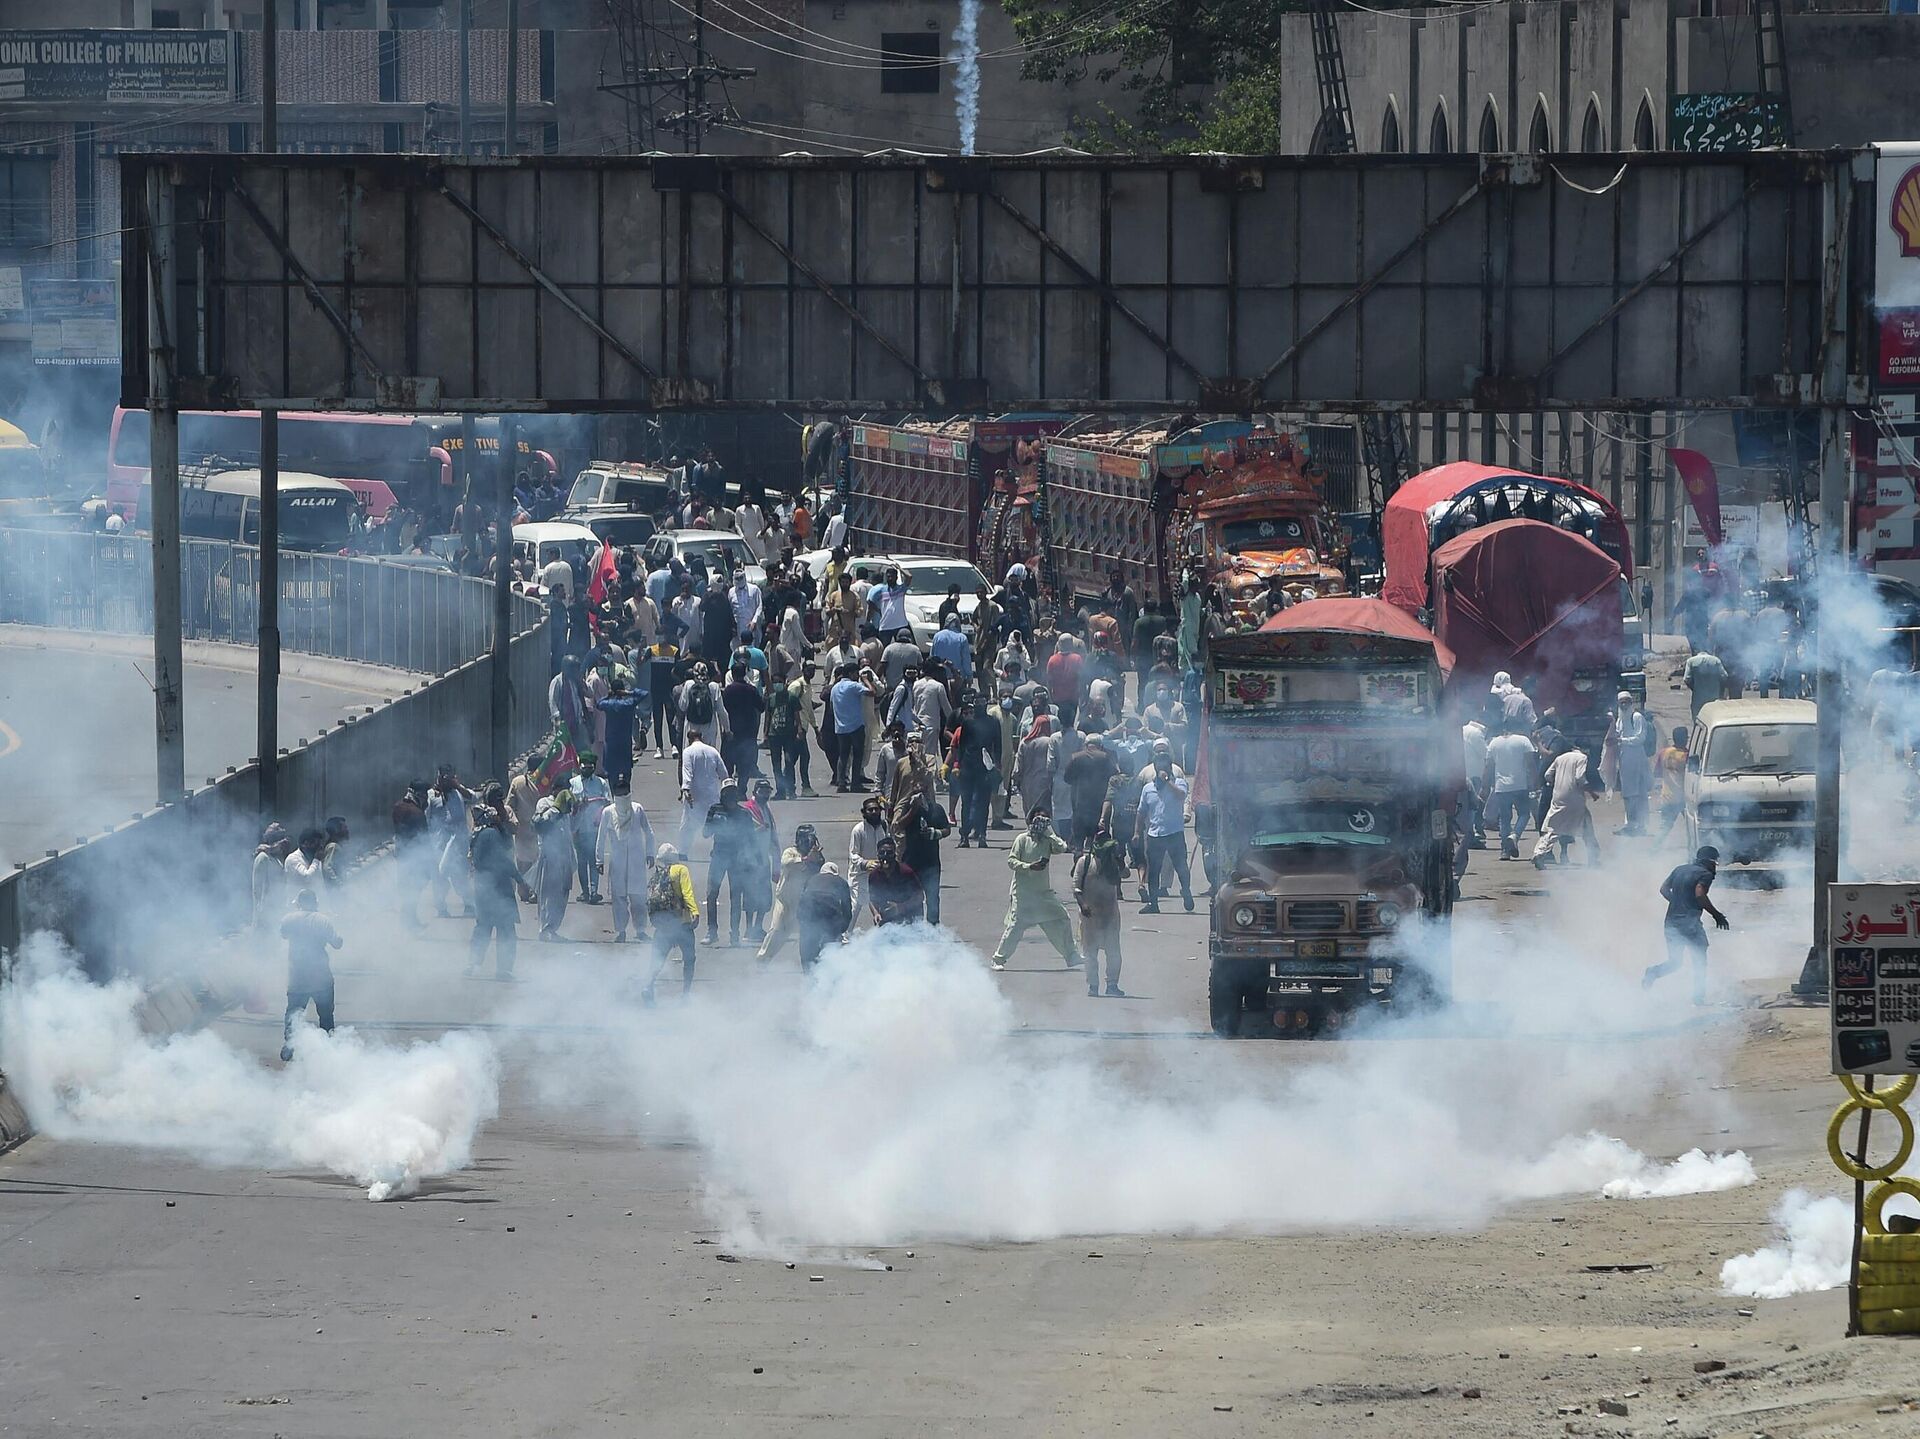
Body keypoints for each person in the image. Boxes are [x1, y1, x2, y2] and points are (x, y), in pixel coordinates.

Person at [990, 808, 1081, 971]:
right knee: (1015, 927)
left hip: (1043, 893)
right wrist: (1029, 867)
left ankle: (1071, 955)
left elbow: (1062, 848)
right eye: (1038, 818)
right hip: (1023, 893)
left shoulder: (1047, 841)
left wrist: (1050, 832)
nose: (1041, 822)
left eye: (1045, 819)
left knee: (1062, 918)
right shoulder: (1022, 839)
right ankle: (998, 958)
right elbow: (1011, 861)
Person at [1643, 846, 1729, 1003]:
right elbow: (1700, 893)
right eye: (1715, 864)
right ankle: (1698, 997)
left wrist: (1678, 901)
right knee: (1700, 959)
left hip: (1671, 922)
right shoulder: (1705, 874)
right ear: (1710, 862)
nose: (1715, 868)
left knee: (1675, 962)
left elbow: (1663, 889)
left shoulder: (1679, 869)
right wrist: (1717, 916)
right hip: (1690, 925)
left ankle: (1653, 973)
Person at [279, 888, 343, 1062]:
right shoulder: (323, 920)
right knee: (326, 1013)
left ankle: (290, 1046)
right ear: (315, 902)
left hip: (297, 977)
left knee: (294, 1012)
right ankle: (327, 1047)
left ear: (299, 903)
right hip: (320, 976)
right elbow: (337, 943)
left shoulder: (288, 919)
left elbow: (283, 934)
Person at [1072, 813, 1127, 997]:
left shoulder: (1113, 863)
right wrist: (1083, 905)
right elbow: (1076, 887)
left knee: (1113, 952)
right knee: (1090, 952)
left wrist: (1119, 860)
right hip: (1090, 916)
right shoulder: (1085, 862)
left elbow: (1125, 875)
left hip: (1110, 915)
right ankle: (1093, 986)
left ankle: (1112, 985)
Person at [596, 779, 656, 943]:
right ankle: (621, 931)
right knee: (619, 899)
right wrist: (599, 860)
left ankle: (640, 930)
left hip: (637, 860)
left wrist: (650, 853)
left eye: (625, 793)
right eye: (619, 794)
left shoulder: (637, 809)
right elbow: (601, 837)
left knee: (639, 898)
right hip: (618, 861)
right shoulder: (608, 812)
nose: (622, 796)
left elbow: (649, 832)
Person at [757, 822, 824, 963]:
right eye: (806, 839)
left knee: (806, 932)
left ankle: (811, 961)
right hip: (784, 899)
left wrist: (816, 858)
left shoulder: (815, 854)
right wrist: (806, 859)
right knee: (776, 930)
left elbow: (819, 870)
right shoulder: (791, 852)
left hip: (801, 902)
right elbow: (786, 863)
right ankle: (762, 960)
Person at [466, 805, 520, 979]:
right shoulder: (491, 834)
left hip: (483, 889)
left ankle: (473, 964)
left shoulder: (479, 835)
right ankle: (503, 970)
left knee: (482, 928)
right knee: (506, 931)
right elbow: (503, 861)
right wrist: (521, 880)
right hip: (498, 889)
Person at [1135, 755, 1194, 912]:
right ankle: (1153, 904)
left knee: (1181, 866)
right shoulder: (1148, 788)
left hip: (1174, 833)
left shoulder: (1179, 783)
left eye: (1165, 766)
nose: (1161, 769)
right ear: (1154, 767)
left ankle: (1186, 891)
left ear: (1169, 767)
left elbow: (1182, 796)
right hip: (1155, 834)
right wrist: (1137, 832)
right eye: (1159, 766)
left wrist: (1167, 782)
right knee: (1153, 870)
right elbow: (1141, 812)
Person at [703, 779, 757, 947]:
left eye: (733, 793)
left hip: (737, 860)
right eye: (727, 793)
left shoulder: (744, 814)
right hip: (719, 856)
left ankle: (735, 935)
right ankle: (712, 932)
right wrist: (718, 825)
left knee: (736, 897)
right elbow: (705, 832)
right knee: (712, 894)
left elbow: (752, 839)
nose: (730, 797)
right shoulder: (715, 809)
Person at [643, 844, 700, 1001]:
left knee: (657, 959)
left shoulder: (659, 874)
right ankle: (686, 995)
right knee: (689, 959)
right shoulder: (681, 870)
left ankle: (648, 985)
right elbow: (687, 893)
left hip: (663, 925)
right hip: (682, 924)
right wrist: (695, 911)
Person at [1532, 742, 1602, 868]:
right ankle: (1593, 857)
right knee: (1586, 826)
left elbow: (1548, 775)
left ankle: (1539, 853)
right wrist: (1592, 793)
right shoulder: (1582, 758)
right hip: (1575, 798)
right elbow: (1580, 777)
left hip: (1558, 797)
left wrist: (1557, 784)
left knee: (1552, 828)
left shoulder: (1560, 758)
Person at [947, 690, 1002, 847]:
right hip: (968, 767)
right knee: (966, 801)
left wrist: (997, 766)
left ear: (986, 703)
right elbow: (962, 746)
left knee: (983, 803)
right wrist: (958, 765)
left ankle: (982, 835)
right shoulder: (968, 722)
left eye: (983, 702)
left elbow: (998, 746)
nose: (980, 705)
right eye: (977, 702)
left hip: (985, 767)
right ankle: (964, 836)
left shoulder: (993, 722)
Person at [1482, 716, 1538, 860]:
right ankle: (1515, 836)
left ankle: (1504, 851)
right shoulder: (1523, 741)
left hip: (1501, 787)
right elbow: (1531, 764)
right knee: (1524, 814)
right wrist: (1534, 783)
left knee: (1505, 819)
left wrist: (1485, 786)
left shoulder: (1494, 743)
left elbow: (1488, 766)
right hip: (1520, 785)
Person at [894, 788, 951, 924]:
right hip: (911, 861)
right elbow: (899, 825)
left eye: (922, 794)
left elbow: (947, 829)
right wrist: (913, 810)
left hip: (931, 862)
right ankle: (916, 926)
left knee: (932, 897)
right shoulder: (908, 808)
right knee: (913, 897)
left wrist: (936, 833)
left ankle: (933, 926)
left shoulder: (937, 809)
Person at [1063, 732, 1120, 851]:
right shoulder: (1105, 757)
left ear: (1086, 744)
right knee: (1098, 842)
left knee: (1078, 842)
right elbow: (1114, 776)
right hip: (1099, 804)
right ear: (1100, 745)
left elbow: (1067, 778)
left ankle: (1078, 862)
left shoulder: (1076, 757)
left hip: (1079, 804)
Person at [532, 791, 576, 940]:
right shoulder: (544, 803)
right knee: (548, 895)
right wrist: (555, 810)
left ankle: (553, 928)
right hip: (549, 858)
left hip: (565, 859)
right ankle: (544, 929)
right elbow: (539, 825)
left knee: (562, 895)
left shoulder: (566, 810)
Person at [569, 753, 612, 904]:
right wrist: (579, 804)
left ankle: (594, 891)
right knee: (582, 862)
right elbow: (568, 805)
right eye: (584, 767)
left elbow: (608, 803)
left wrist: (599, 812)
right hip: (578, 828)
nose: (586, 770)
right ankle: (585, 892)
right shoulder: (573, 783)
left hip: (595, 829)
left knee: (594, 861)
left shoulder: (601, 783)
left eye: (589, 768)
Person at [796, 861, 854, 969]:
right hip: (829, 911)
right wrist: (841, 929)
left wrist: (801, 921)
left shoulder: (811, 879)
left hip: (808, 910)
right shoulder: (841, 882)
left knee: (807, 942)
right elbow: (847, 910)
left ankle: (808, 972)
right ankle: (827, 971)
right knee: (830, 944)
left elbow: (801, 901)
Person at [678, 729, 726, 851]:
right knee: (716, 823)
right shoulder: (713, 751)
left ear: (689, 739)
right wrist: (727, 789)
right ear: (701, 737)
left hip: (695, 795)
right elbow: (724, 773)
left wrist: (686, 790)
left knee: (688, 824)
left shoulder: (688, 752)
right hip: (712, 795)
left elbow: (687, 772)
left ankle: (683, 851)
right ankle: (717, 849)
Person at [847, 792, 889, 925]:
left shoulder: (884, 826)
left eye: (876, 809)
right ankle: (845, 938)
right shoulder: (858, 830)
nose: (874, 812)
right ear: (863, 812)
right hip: (861, 875)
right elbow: (853, 854)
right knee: (854, 908)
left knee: (881, 908)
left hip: (879, 874)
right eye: (870, 810)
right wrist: (865, 863)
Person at [1613, 694, 1652, 836]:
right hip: (1625, 759)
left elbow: (1640, 738)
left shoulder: (1636, 717)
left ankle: (1638, 825)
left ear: (1631, 702)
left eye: (1626, 702)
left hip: (1636, 758)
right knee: (1629, 794)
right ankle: (1631, 824)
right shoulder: (1620, 719)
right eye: (1621, 703)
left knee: (1637, 793)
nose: (1623, 705)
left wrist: (1621, 741)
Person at [830, 664, 873, 791]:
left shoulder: (835, 688)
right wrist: (865, 680)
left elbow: (832, 706)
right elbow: (872, 692)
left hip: (841, 727)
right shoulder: (853, 686)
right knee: (857, 755)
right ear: (851, 674)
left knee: (843, 756)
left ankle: (841, 783)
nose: (857, 676)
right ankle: (855, 783)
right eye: (856, 674)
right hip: (855, 725)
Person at [864, 836, 924, 926]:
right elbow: (872, 899)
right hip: (887, 920)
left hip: (910, 920)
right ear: (877, 855)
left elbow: (919, 896)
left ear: (894, 854)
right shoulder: (874, 875)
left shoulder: (906, 872)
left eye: (889, 853)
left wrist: (900, 907)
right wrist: (876, 913)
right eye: (882, 852)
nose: (885, 856)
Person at [597, 676, 641, 789]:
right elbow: (643, 694)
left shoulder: (608, 704)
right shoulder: (629, 703)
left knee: (612, 772)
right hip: (625, 742)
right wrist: (628, 693)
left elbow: (598, 703)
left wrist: (609, 695)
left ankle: (614, 796)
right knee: (626, 770)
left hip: (611, 742)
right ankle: (626, 793)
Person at [1013, 712, 1058, 819]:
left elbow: (1018, 764)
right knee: (1042, 813)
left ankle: (1030, 831)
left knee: (1029, 811)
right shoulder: (1049, 741)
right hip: (1044, 782)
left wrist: (1016, 779)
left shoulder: (1024, 742)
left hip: (1027, 782)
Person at [252, 822, 292, 933]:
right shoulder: (263, 858)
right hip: (266, 910)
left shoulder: (276, 859)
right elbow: (259, 888)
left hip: (276, 908)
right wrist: (262, 912)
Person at [1653, 725, 1691, 841]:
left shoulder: (1663, 752)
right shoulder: (1687, 755)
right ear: (1685, 739)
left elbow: (1657, 773)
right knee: (1692, 826)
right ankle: (1694, 850)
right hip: (1684, 798)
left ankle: (1653, 851)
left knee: (1665, 826)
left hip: (1667, 796)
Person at [1461, 709, 1491, 848]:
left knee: (1466, 807)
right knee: (1474, 807)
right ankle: (1471, 835)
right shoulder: (1476, 733)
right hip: (1475, 775)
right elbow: (1486, 755)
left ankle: (1472, 834)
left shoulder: (1463, 729)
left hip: (1464, 771)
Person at [1684, 648, 1728, 719]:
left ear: (1697, 651)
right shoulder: (1716, 660)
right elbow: (1724, 676)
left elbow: (1687, 679)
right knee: (1713, 718)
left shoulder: (1691, 661)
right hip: (1713, 696)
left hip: (1698, 697)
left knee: (1697, 718)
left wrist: (1694, 688)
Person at [930, 612, 973, 684]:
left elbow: (932, 656)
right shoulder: (962, 638)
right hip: (957, 678)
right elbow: (966, 660)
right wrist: (969, 676)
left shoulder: (937, 636)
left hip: (939, 676)